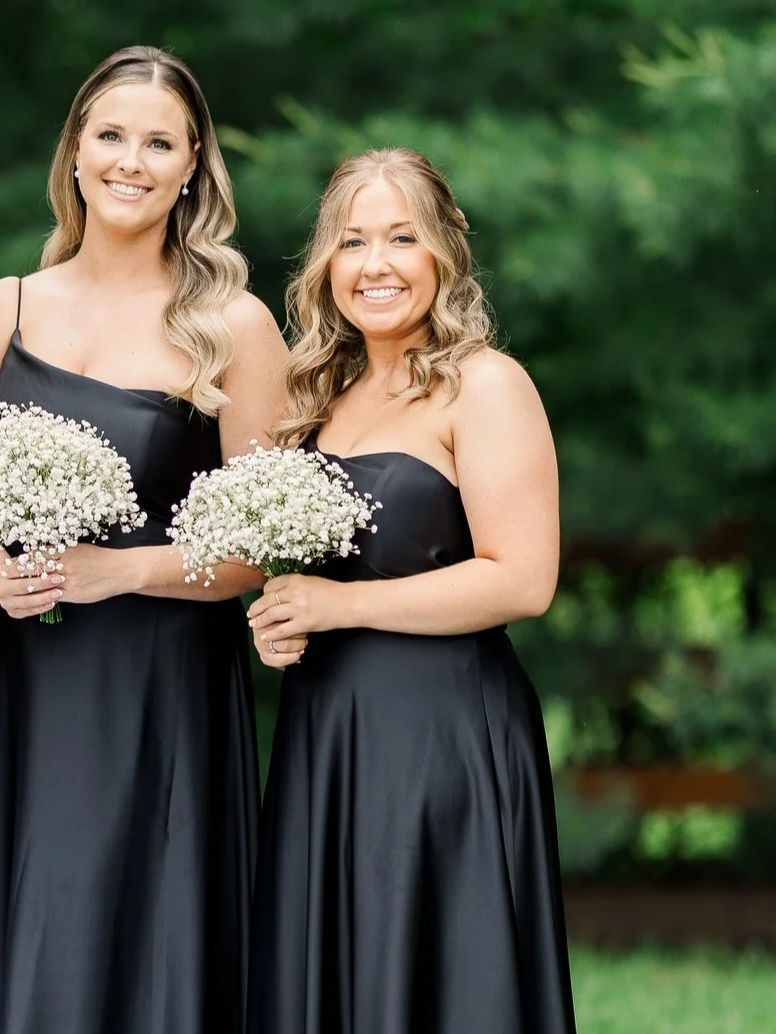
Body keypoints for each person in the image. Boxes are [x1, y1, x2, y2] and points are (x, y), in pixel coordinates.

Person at [0, 45, 288, 1034]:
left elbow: (259, 550)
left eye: (157, 142)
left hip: (166, 690)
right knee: (38, 929)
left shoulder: (232, 325)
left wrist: (121, 569)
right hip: (38, 683)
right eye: (110, 136)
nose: (129, 160)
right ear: (76, 152)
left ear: (192, 167)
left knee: (156, 945)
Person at [247, 147, 574, 1034]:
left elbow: (524, 578)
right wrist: (279, 620)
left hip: (445, 739)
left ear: (443, 255)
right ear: (326, 264)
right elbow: (307, 580)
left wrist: (339, 605)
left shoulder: (486, 387)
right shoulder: (317, 396)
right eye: (353, 242)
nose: (376, 264)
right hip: (330, 734)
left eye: (402, 238)